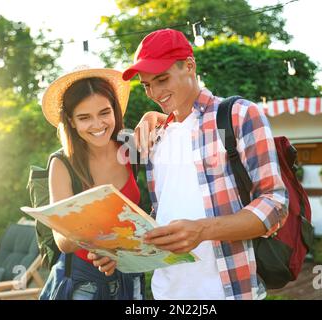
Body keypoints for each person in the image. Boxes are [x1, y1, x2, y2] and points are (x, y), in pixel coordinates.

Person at [91, 29, 289, 300]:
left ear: (189, 65)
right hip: (166, 292)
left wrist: (203, 230)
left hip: (228, 290)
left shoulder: (239, 115)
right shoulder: (155, 136)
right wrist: (123, 252)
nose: (155, 93)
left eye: (162, 79)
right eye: (147, 84)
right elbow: (162, 213)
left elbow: (276, 204)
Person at [39, 68, 144, 300]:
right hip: (84, 283)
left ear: (115, 111)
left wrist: (152, 117)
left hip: (130, 277)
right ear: (71, 122)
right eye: (84, 117)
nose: (97, 125)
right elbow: (63, 241)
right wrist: (103, 245)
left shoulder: (131, 148)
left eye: (104, 112)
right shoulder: (62, 164)